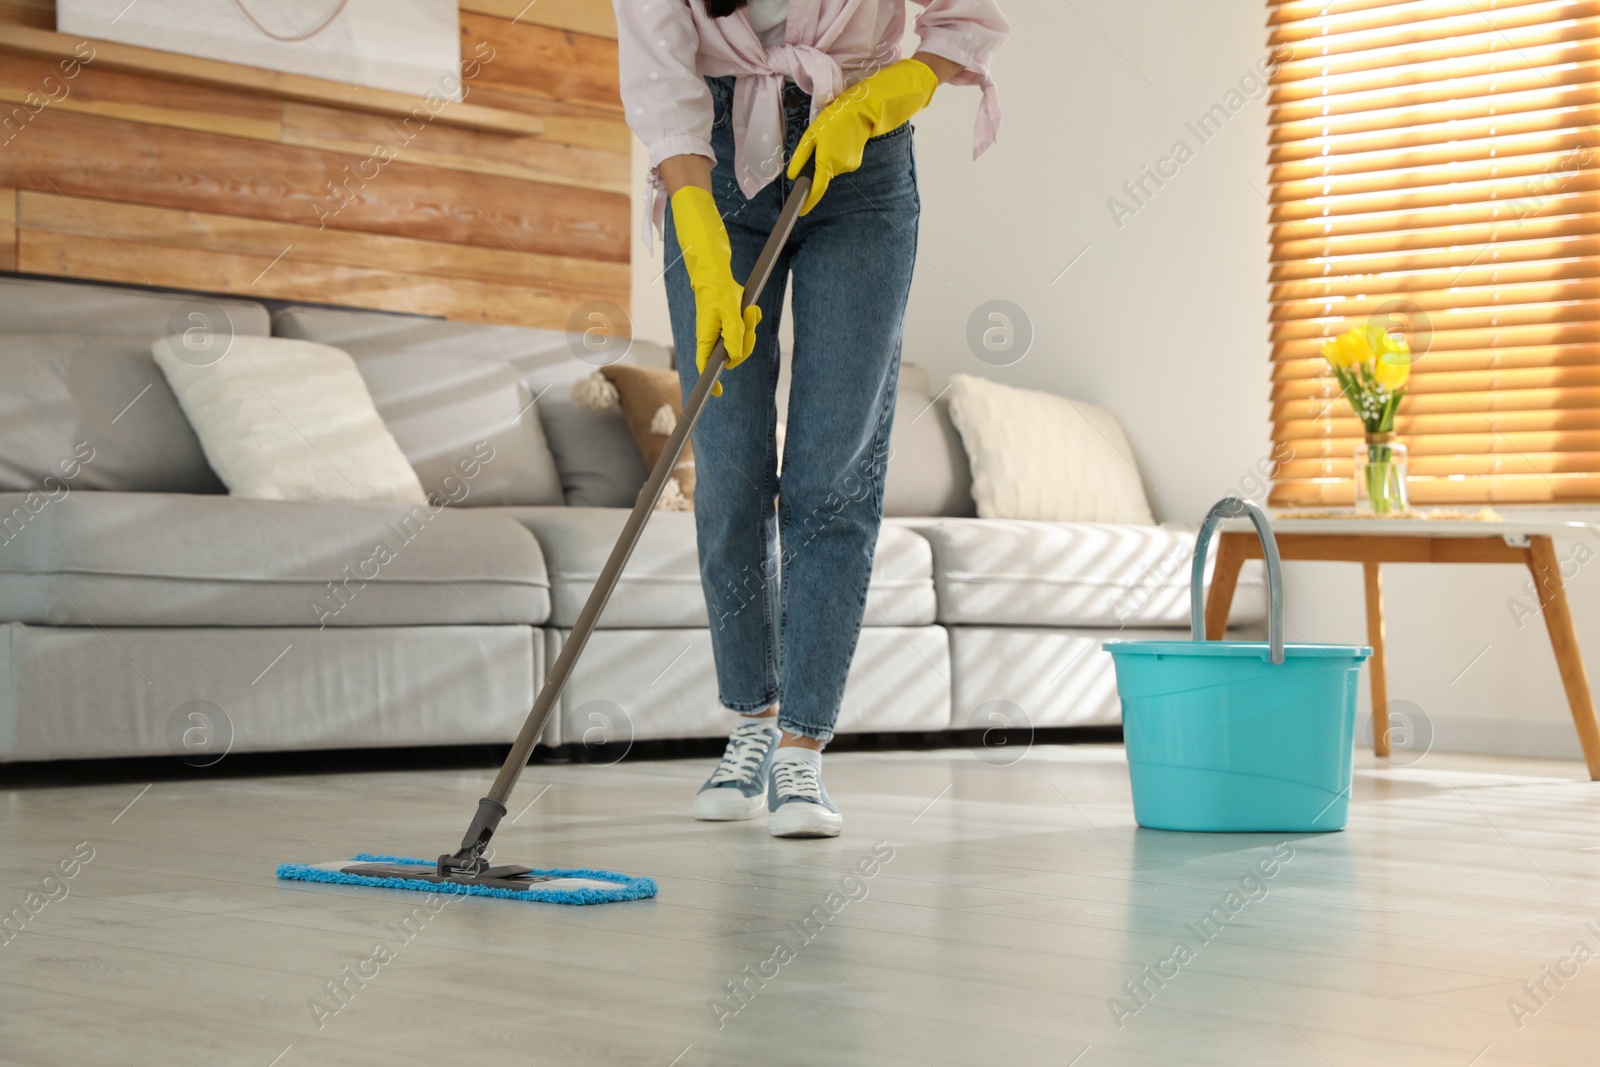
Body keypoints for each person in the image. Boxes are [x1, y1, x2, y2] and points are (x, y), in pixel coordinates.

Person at [614, 0, 1009, 837]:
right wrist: (697, 223)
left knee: (833, 468)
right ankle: (750, 720)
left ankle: (802, 747)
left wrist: (889, 93)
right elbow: (658, 68)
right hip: (712, 162)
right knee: (726, 460)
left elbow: (963, 17)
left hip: (862, 159)